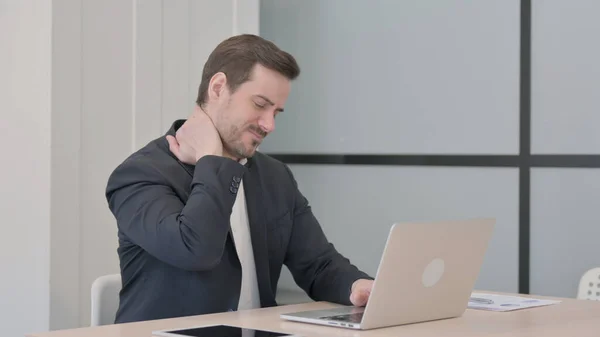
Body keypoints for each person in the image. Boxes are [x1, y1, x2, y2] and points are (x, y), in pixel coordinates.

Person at [105, 34, 373, 324]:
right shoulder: (140, 174)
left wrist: (360, 288)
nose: (269, 125)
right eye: (260, 105)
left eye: (276, 112)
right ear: (218, 87)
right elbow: (195, 250)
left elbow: (318, 264)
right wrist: (212, 160)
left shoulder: (275, 176)